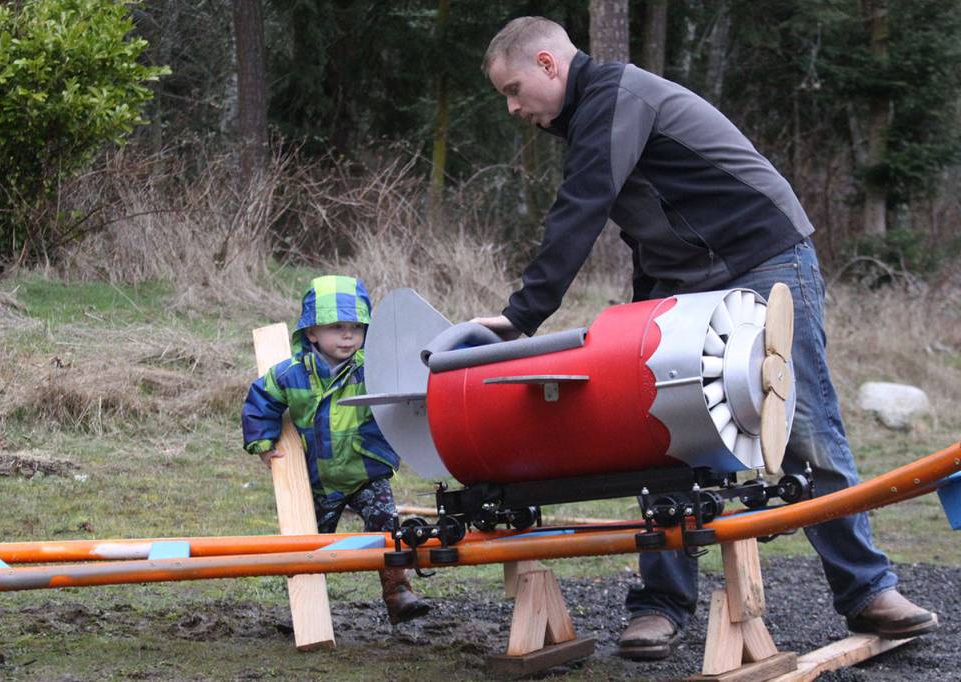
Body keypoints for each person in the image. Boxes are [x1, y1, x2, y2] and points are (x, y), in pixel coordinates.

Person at [474, 16, 937, 660]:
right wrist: (644, 316)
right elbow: (648, 224)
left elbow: (583, 205)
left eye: (515, 88)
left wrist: (523, 315)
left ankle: (868, 592)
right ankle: (661, 607)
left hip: (764, 256)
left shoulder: (615, 97)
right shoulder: (589, 116)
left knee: (799, 424)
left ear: (550, 64)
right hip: (684, 279)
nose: (513, 106)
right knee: (662, 423)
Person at [241, 275, 429, 625]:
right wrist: (263, 444)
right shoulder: (291, 374)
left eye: (356, 328)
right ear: (312, 332)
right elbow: (260, 400)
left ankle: (398, 591)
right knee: (309, 543)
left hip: (366, 472)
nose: (348, 336)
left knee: (388, 527)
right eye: (337, 327)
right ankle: (306, 608)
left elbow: (408, 391)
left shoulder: (373, 368)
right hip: (319, 479)